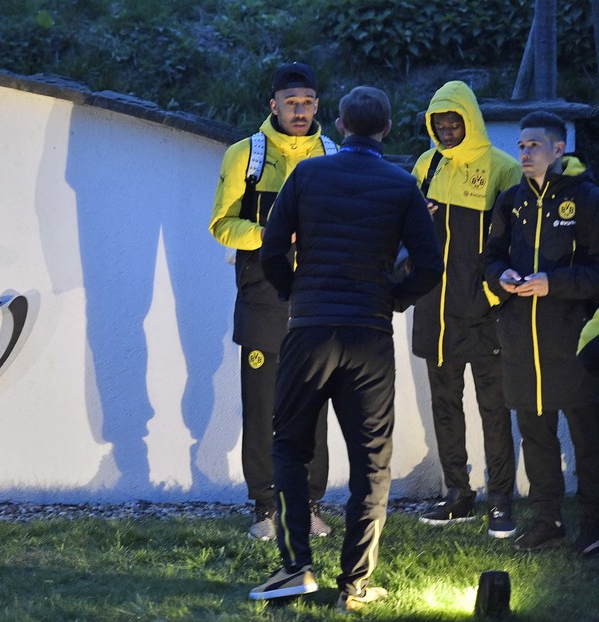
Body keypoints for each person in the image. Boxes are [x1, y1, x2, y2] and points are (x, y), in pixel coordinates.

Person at [250, 86, 443, 611]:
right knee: (371, 461)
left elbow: (270, 251)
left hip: (310, 329)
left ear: (338, 125)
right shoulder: (403, 184)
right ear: (385, 129)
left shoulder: (307, 175)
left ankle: (296, 567)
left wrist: (297, 293)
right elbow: (430, 266)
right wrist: (393, 300)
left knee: (289, 446)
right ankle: (355, 584)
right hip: (370, 336)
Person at [208, 61, 336, 541]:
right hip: (263, 299)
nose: (299, 111)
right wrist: (272, 235)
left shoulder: (333, 153)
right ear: (273, 105)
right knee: (262, 408)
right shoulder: (247, 155)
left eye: (307, 103)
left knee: (313, 407)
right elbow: (221, 224)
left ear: (317, 105)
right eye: (290, 103)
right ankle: (265, 509)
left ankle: (309, 504)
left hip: (321, 302)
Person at [483, 111, 599, 554]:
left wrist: (555, 284)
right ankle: (547, 518)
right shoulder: (511, 200)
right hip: (518, 342)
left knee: (588, 439)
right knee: (535, 436)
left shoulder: (587, 199)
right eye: (521, 145)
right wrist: (503, 276)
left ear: (559, 149)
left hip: (572, 342)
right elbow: (490, 259)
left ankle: (593, 524)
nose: (525, 152)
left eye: (534, 145)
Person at [410, 81, 522, 537]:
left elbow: (518, 241)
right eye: (439, 121)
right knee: (444, 405)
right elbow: (408, 227)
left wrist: (497, 295)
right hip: (434, 310)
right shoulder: (426, 163)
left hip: (484, 310)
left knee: (494, 408)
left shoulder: (504, 168)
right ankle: (457, 495)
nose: (447, 128)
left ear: (471, 119)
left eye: (455, 120)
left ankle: (500, 500)